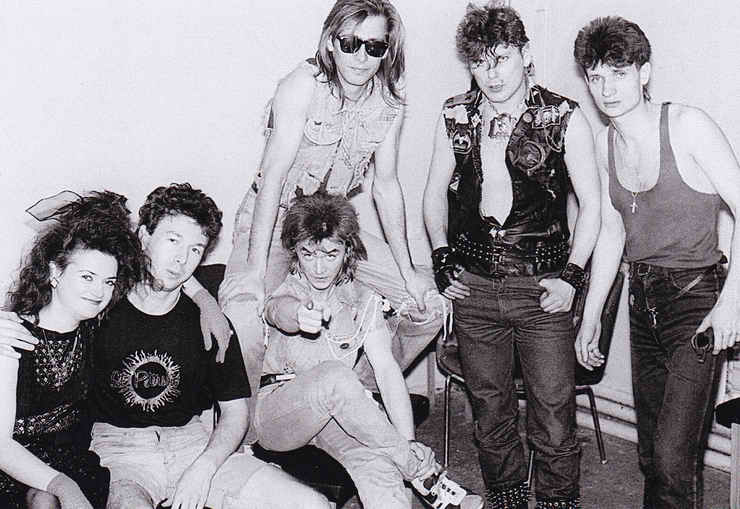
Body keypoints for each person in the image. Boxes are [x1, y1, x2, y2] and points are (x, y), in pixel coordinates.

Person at [219, 0, 446, 426]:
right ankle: (244, 434)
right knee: (245, 318)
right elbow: (272, 179)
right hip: (276, 221)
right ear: (330, 42)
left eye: (374, 47)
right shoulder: (302, 86)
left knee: (427, 304)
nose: (361, 57)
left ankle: (353, 391)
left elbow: (386, 187)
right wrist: (255, 270)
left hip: (332, 224)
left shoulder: (389, 102)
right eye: (350, 43)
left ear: (387, 50)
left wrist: (409, 271)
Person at [423, 4, 601, 508]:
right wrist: (440, 256)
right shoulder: (455, 115)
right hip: (474, 286)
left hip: (542, 288)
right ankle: (506, 497)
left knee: (553, 413)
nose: (492, 73)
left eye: (500, 58)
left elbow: (593, 206)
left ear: (524, 53)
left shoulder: (562, 116)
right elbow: (433, 194)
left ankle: (558, 501)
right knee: (490, 409)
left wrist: (571, 277)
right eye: (480, 63)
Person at [574, 16, 740, 508]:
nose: (607, 89)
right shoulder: (606, 143)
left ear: (643, 73)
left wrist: (730, 303)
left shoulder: (687, 126)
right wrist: (590, 317)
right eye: (596, 77)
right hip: (642, 301)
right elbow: (611, 232)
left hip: (696, 303)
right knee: (651, 453)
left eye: (619, 73)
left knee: (672, 457)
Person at [88, 183, 330, 509]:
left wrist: (204, 467)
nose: (181, 259)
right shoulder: (100, 304)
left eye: (195, 249)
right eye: (173, 240)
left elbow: (236, 413)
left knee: (310, 504)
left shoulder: (210, 323)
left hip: (193, 442)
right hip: (121, 451)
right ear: (144, 236)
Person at [254, 191, 482, 509]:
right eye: (308, 254)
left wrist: (409, 440)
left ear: (347, 250)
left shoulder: (362, 297)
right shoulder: (286, 285)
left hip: (335, 414)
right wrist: (299, 315)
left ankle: (407, 465)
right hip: (278, 415)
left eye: (330, 254)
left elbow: (386, 370)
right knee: (336, 377)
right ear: (296, 252)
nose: (318, 267)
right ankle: (422, 473)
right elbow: (278, 310)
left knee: (380, 467)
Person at [0, 191, 144, 508]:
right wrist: (64, 487)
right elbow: (1, 446)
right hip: (14, 469)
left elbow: (162, 272)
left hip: (71, 462)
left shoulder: (94, 329)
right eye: (87, 277)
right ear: (55, 273)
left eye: (108, 282)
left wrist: (205, 300)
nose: (99, 291)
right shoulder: (11, 335)